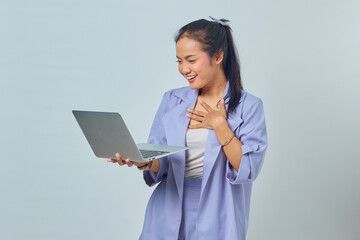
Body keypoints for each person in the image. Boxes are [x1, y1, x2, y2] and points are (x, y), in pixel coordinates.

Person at [107, 17, 268, 240]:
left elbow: (248, 169)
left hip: (220, 211)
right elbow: (162, 159)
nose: (184, 69)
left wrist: (220, 125)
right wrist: (141, 161)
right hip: (168, 206)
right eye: (179, 61)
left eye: (191, 60)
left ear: (218, 56)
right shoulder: (172, 100)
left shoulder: (249, 107)